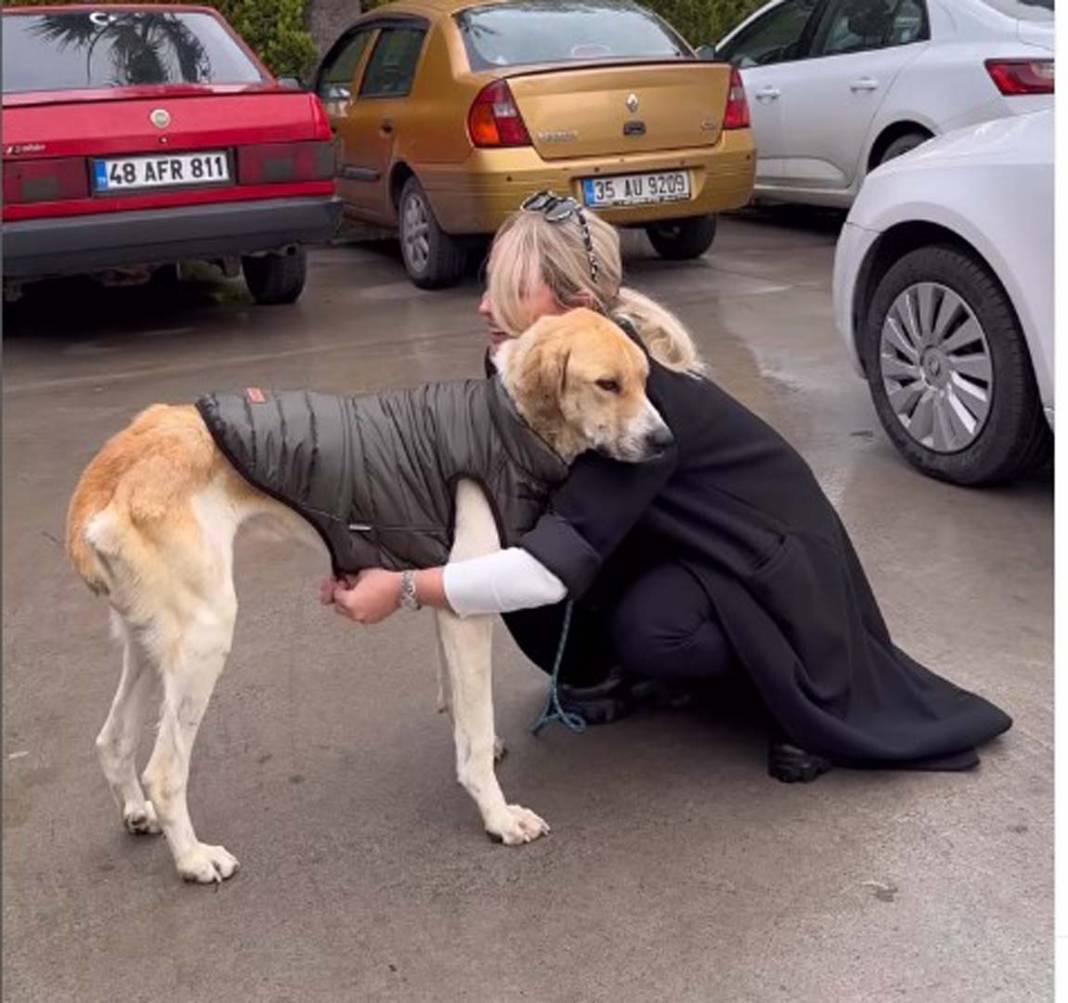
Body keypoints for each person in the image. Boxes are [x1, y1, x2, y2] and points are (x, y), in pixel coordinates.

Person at [323, 191, 1012, 782]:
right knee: (522, 556)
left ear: (580, 308)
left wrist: (407, 588)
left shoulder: (634, 405)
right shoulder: (537, 366)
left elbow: (544, 566)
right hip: (684, 545)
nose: (482, 307)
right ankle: (627, 669)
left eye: (508, 292)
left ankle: (788, 695)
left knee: (635, 620)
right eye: (488, 285)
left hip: (777, 575)